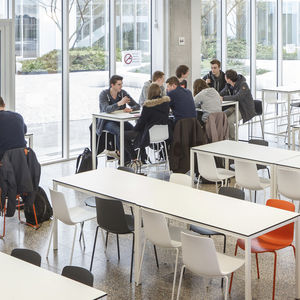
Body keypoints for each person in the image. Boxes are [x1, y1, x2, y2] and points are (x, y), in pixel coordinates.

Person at [96, 75, 140, 161]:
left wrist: (131, 109)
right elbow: (106, 109)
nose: (121, 86)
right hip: (107, 122)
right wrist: (119, 103)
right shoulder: (104, 94)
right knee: (120, 133)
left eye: (121, 84)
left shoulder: (123, 93)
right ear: (112, 85)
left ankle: (124, 155)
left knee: (135, 131)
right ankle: (129, 159)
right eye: (119, 84)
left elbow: (137, 105)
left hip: (121, 121)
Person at [124, 83, 170, 162]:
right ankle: (142, 157)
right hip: (163, 134)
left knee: (123, 135)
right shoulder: (166, 104)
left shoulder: (148, 106)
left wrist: (134, 129)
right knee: (139, 134)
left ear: (149, 93)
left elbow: (141, 123)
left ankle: (134, 158)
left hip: (149, 135)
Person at [220, 69, 256, 140]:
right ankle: (223, 138)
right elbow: (221, 93)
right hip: (235, 107)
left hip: (244, 109)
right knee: (221, 116)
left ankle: (233, 140)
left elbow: (238, 97)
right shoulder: (229, 84)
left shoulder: (243, 84)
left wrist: (223, 98)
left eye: (225, 77)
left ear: (228, 79)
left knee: (229, 121)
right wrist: (217, 96)